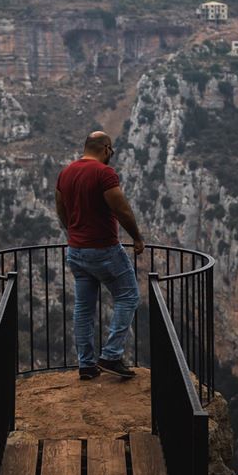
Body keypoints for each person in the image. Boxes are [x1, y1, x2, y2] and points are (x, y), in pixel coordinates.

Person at [55, 131, 145, 380]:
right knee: (128, 296)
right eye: (111, 152)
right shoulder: (104, 174)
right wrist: (137, 237)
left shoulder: (66, 173)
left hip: (76, 251)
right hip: (103, 249)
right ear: (106, 149)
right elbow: (122, 209)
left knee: (83, 308)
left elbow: (60, 209)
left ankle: (86, 365)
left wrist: (74, 232)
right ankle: (111, 355)